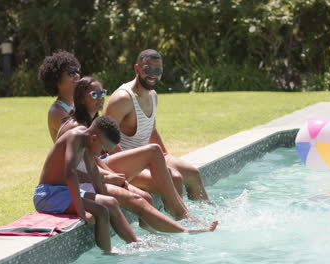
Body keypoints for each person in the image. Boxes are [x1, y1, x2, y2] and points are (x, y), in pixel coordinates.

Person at [58, 76, 217, 232]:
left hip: (106, 166)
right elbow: (73, 166)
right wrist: (108, 176)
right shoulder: (75, 127)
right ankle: (183, 216)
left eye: (102, 93)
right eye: (94, 95)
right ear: (80, 99)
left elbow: (101, 155)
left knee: (174, 177)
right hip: (100, 171)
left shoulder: (94, 121)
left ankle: (158, 230)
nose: (100, 98)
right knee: (153, 150)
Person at [105, 49, 209, 202]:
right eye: (148, 69)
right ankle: (180, 221)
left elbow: (151, 131)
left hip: (147, 159)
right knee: (174, 178)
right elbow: (106, 138)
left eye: (158, 70)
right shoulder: (123, 99)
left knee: (193, 173)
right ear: (137, 69)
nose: (153, 74)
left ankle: (207, 214)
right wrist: (132, 166)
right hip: (121, 166)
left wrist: (166, 159)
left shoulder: (152, 96)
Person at [34, 116, 137, 252]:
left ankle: (134, 243)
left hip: (63, 193)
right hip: (48, 194)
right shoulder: (75, 137)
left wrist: (102, 197)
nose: (103, 154)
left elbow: (93, 171)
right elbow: (70, 172)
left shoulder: (87, 141)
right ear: (94, 138)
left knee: (111, 202)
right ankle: (108, 255)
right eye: (104, 151)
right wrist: (81, 211)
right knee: (101, 211)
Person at [38, 50, 81, 142]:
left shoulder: (77, 104)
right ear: (56, 79)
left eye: (77, 71)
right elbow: (81, 139)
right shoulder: (57, 112)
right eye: (71, 72)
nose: (77, 76)